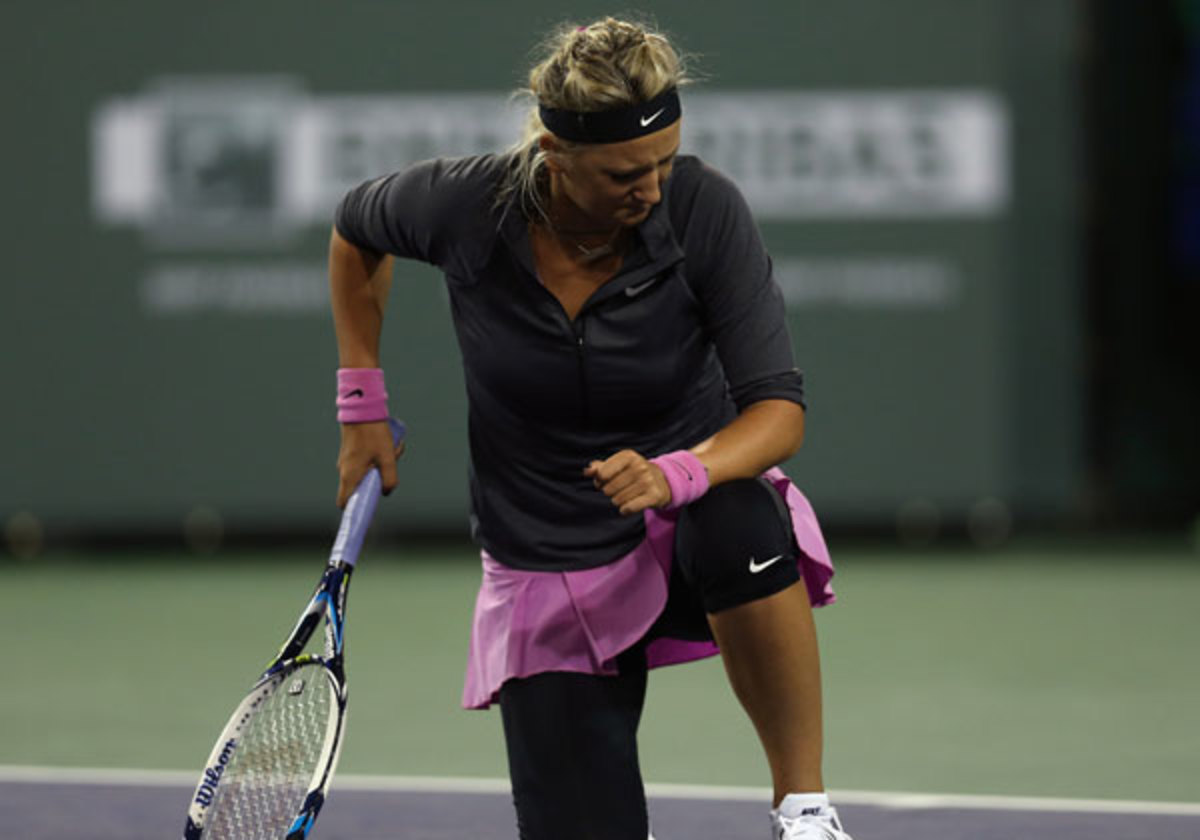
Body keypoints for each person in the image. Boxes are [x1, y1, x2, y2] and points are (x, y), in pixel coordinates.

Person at [328, 16, 854, 840]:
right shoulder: (465, 206)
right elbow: (355, 231)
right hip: (544, 554)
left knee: (740, 513)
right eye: (621, 174)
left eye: (664, 162)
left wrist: (677, 473)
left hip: (682, 525)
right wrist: (359, 406)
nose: (649, 189)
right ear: (554, 155)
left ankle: (806, 812)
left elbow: (777, 411)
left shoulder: (702, 209)